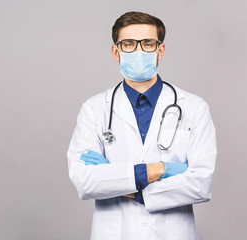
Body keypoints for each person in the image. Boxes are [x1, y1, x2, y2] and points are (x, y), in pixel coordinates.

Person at [67, 11, 216, 240]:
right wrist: (160, 169)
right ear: (116, 52)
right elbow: (85, 182)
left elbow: (200, 184)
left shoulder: (194, 107)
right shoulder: (94, 109)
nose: (139, 51)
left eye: (148, 44)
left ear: (160, 51)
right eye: (128, 44)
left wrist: (115, 179)